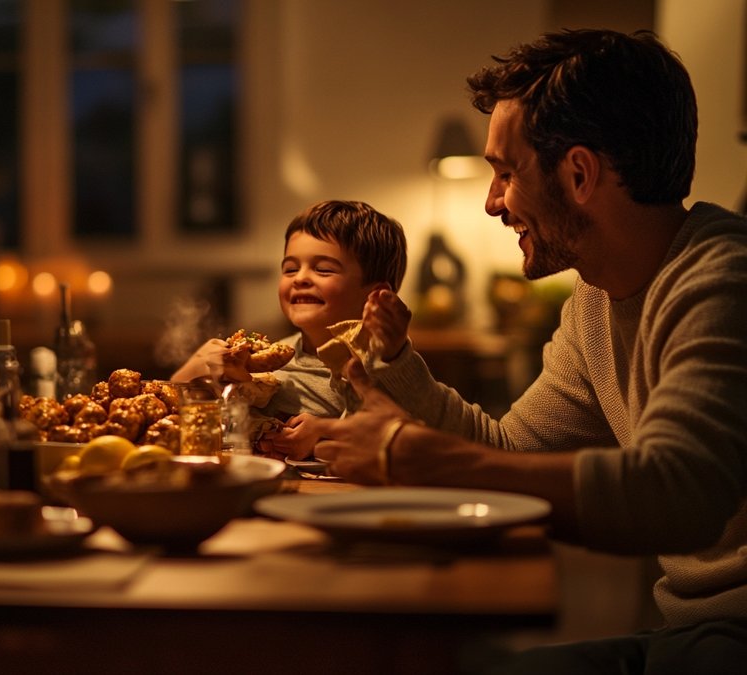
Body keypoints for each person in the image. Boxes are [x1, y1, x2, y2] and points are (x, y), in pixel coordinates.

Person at [316, 29, 747, 672]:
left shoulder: (722, 279)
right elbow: (510, 453)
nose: (493, 203)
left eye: (506, 173)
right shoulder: (596, 304)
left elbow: (677, 494)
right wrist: (399, 369)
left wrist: (416, 456)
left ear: (578, 173)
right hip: (691, 635)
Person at [171, 200, 407, 459]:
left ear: (378, 295)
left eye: (324, 270)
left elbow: (408, 438)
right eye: (290, 269)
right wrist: (197, 371)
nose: (300, 278)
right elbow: (174, 422)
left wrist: (325, 437)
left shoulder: (386, 368)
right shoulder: (268, 363)